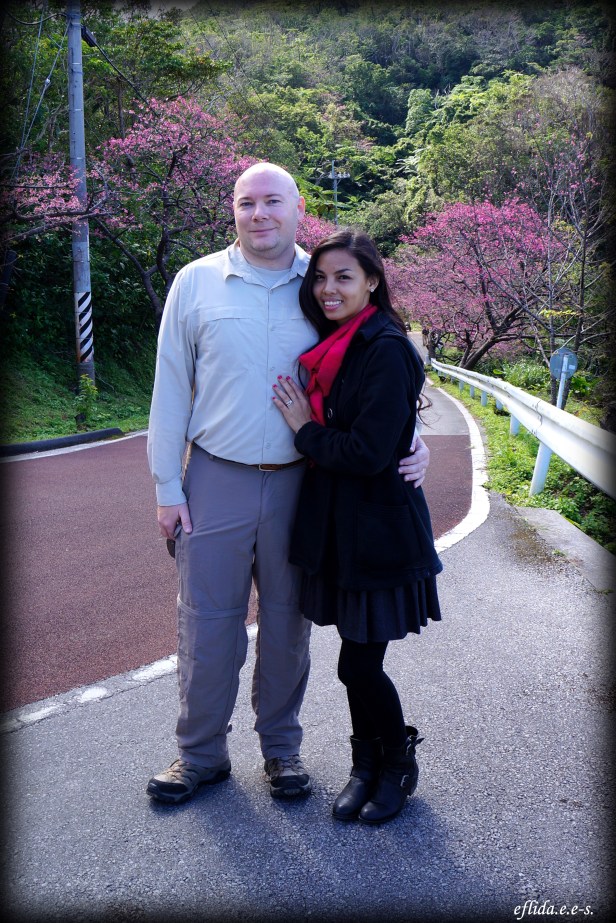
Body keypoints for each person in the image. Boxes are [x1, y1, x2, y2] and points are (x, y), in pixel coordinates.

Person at [146, 162, 431, 806]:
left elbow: (372, 372)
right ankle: (199, 755)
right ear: (234, 211)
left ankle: (281, 751)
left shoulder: (324, 285)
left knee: (286, 627)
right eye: (247, 203)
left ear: (298, 209)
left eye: (273, 201)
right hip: (216, 477)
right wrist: (168, 486)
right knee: (206, 624)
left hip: (307, 484)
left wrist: (409, 440)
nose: (260, 214)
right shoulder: (196, 283)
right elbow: (168, 391)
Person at [272, 227, 442, 825]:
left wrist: (303, 429)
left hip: (378, 533)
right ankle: (366, 763)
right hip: (342, 529)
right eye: (319, 277)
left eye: (343, 276)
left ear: (372, 281)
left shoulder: (386, 347)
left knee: (358, 664)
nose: (327, 288)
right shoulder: (337, 343)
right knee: (354, 658)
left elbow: (369, 451)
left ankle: (394, 764)